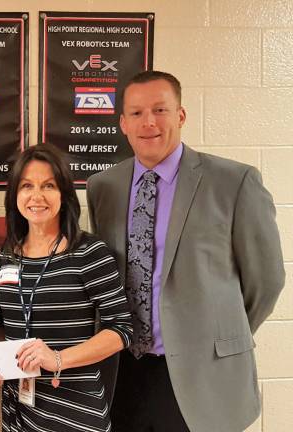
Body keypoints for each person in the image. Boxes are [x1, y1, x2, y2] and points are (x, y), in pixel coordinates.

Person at [86, 70, 285, 432]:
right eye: (136, 113)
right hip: (124, 373)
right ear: (123, 123)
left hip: (202, 372)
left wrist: (219, 335)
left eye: (160, 110)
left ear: (181, 115)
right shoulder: (103, 187)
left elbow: (266, 281)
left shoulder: (234, 182)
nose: (149, 122)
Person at [0, 144, 134, 432]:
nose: (36, 196)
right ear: (15, 196)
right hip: (18, 406)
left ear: (64, 194)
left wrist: (58, 359)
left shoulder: (88, 252)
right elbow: (1, 321)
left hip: (73, 407)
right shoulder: (8, 254)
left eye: (48, 185)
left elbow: (121, 329)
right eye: (27, 186)